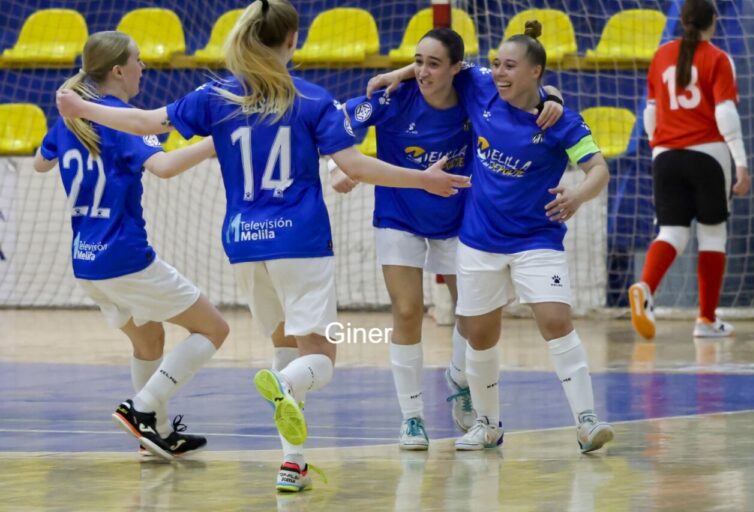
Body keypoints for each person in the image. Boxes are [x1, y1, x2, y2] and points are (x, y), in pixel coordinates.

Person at [56, 0, 468, 492]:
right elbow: (356, 167)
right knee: (318, 359)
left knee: (283, 348)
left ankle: (292, 461)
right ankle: (284, 396)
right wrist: (423, 180)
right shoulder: (311, 100)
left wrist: (80, 107)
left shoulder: (216, 96)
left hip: (244, 244)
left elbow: (148, 124)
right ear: (291, 41)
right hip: (300, 241)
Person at [370, 20, 614, 452]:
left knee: (555, 321)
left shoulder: (559, 120)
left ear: (535, 72)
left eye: (510, 66)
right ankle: (487, 424)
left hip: (536, 239)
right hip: (479, 241)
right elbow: (441, 65)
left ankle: (587, 421)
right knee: (479, 335)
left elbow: (599, 169)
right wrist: (397, 74)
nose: (499, 72)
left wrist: (577, 196)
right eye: (496, 64)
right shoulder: (480, 89)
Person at [335, 28, 564, 450]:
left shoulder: (475, 83)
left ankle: (459, 380)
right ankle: (411, 419)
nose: (422, 71)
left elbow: (533, 84)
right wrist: (346, 166)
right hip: (399, 215)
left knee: (473, 311)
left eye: (434, 64)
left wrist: (554, 97)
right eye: (417, 61)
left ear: (457, 68)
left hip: (460, 219)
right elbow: (333, 124)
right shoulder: (392, 97)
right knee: (407, 311)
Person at [34, 31, 229, 460]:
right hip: (125, 257)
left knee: (149, 340)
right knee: (215, 329)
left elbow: (40, 162)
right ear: (118, 69)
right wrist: (216, 142)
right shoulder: (119, 119)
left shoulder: (69, 118)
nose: (144, 67)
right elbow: (163, 167)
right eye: (139, 60)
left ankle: (154, 434)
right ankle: (141, 411)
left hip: (86, 263)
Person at [629, 0, 750, 340]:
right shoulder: (718, 58)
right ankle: (706, 320)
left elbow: (650, 113)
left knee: (672, 233)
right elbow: (726, 114)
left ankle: (645, 286)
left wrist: (659, 147)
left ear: (682, 21)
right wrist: (740, 162)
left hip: (665, 156)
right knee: (712, 235)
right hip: (708, 154)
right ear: (713, 22)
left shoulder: (661, 56)